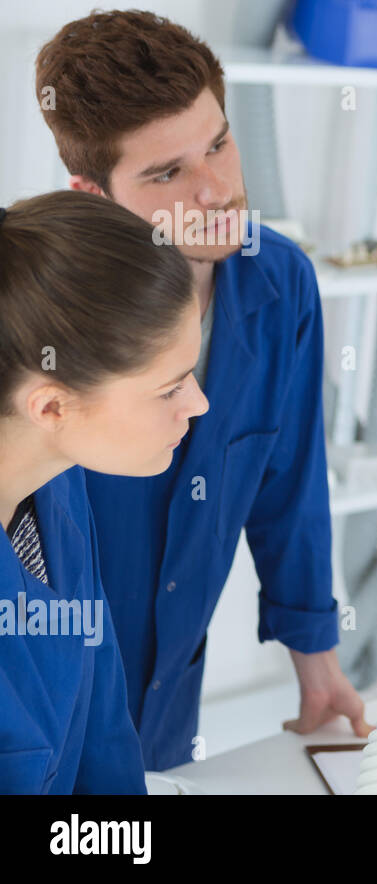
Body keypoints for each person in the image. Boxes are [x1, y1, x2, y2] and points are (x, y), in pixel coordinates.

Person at [34, 9, 371, 772]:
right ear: (91, 192)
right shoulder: (39, 316)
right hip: (44, 708)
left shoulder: (279, 283)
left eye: (218, 144)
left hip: (167, 702)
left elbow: (289, 483)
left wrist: (316, 665)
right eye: (167, 173)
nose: (216, 190)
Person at [0, 191, 207, 792]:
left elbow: (102, 729)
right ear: (52, 405)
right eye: (169, 388)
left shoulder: (57, 486)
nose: (199, 404)